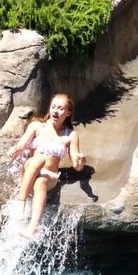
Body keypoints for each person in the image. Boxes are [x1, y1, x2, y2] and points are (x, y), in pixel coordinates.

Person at [7, 93, 85, 239]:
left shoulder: (70, 135)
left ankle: (33, 227)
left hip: (49, 177)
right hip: (29, 170)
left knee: (41, 182)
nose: (55, 111)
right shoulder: (36, 126)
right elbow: (21, 145)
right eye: (53, 107)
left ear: (68, 113)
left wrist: (80, 162)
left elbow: (76, 164)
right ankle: (21, 203)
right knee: (39, 159)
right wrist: (15, 150)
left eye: (61, 108)